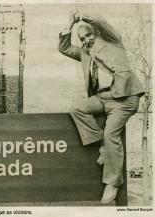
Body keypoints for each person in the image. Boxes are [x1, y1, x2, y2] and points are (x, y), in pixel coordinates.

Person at [58, 12, 144, 203]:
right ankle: (101, 145)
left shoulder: (113, 41)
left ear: (96, 33)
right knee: (77, 109)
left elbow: (100, 21)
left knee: (111, 134)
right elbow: (64, 48)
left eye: (89, 35)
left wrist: (82, 16)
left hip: (124, 99)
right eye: (82, 38)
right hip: (103, 98)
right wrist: (69, 24)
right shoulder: (85, 53)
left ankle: (112, 183)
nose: (87, 40)